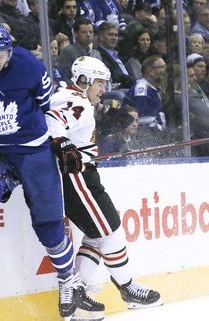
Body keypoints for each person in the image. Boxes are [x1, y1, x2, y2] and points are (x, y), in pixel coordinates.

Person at [0, 25, 105, 319]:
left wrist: (53, 139)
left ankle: (68, 280)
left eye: (1, 55)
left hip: (34, 150)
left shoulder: (28, 66)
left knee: (48, 224)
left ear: (9, 53)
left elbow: (45, 104)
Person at [45, 56, 163, 320]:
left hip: (83, 174)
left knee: (97, 235)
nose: (103, 89)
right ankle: (128, 287)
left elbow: (81, 127)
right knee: (110, 232)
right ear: (83, 80)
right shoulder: (73, 99)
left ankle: (78, 294)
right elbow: (52, 123)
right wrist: (61, 144)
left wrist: (104, 114)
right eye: (99, 83)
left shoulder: (80, 100)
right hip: (76, 176)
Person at [125, 55, 167, 147]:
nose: (165, 70)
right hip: (147, 143)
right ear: (151, 71)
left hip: (157, 136)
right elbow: (146, 127)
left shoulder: (153, 89)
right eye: (162, 67)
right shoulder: (142, 92)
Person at [57, 16, 102, 84]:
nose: (88, 35)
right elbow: (63, 77)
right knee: (118, 94)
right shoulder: (68, 52)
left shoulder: (96, 54)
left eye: (91, 32)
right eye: (84, 32)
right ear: (75, 34)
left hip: (97, 90)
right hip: (76, 91)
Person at [97, 21, 137, 90]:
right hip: (117, 88)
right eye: (110, 35)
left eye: (116, 35)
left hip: (129, 85)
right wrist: (133, 81)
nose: (114, 38)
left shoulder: (119, 54)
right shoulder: (99, 54)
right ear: (101, 37)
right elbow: (114, 74)